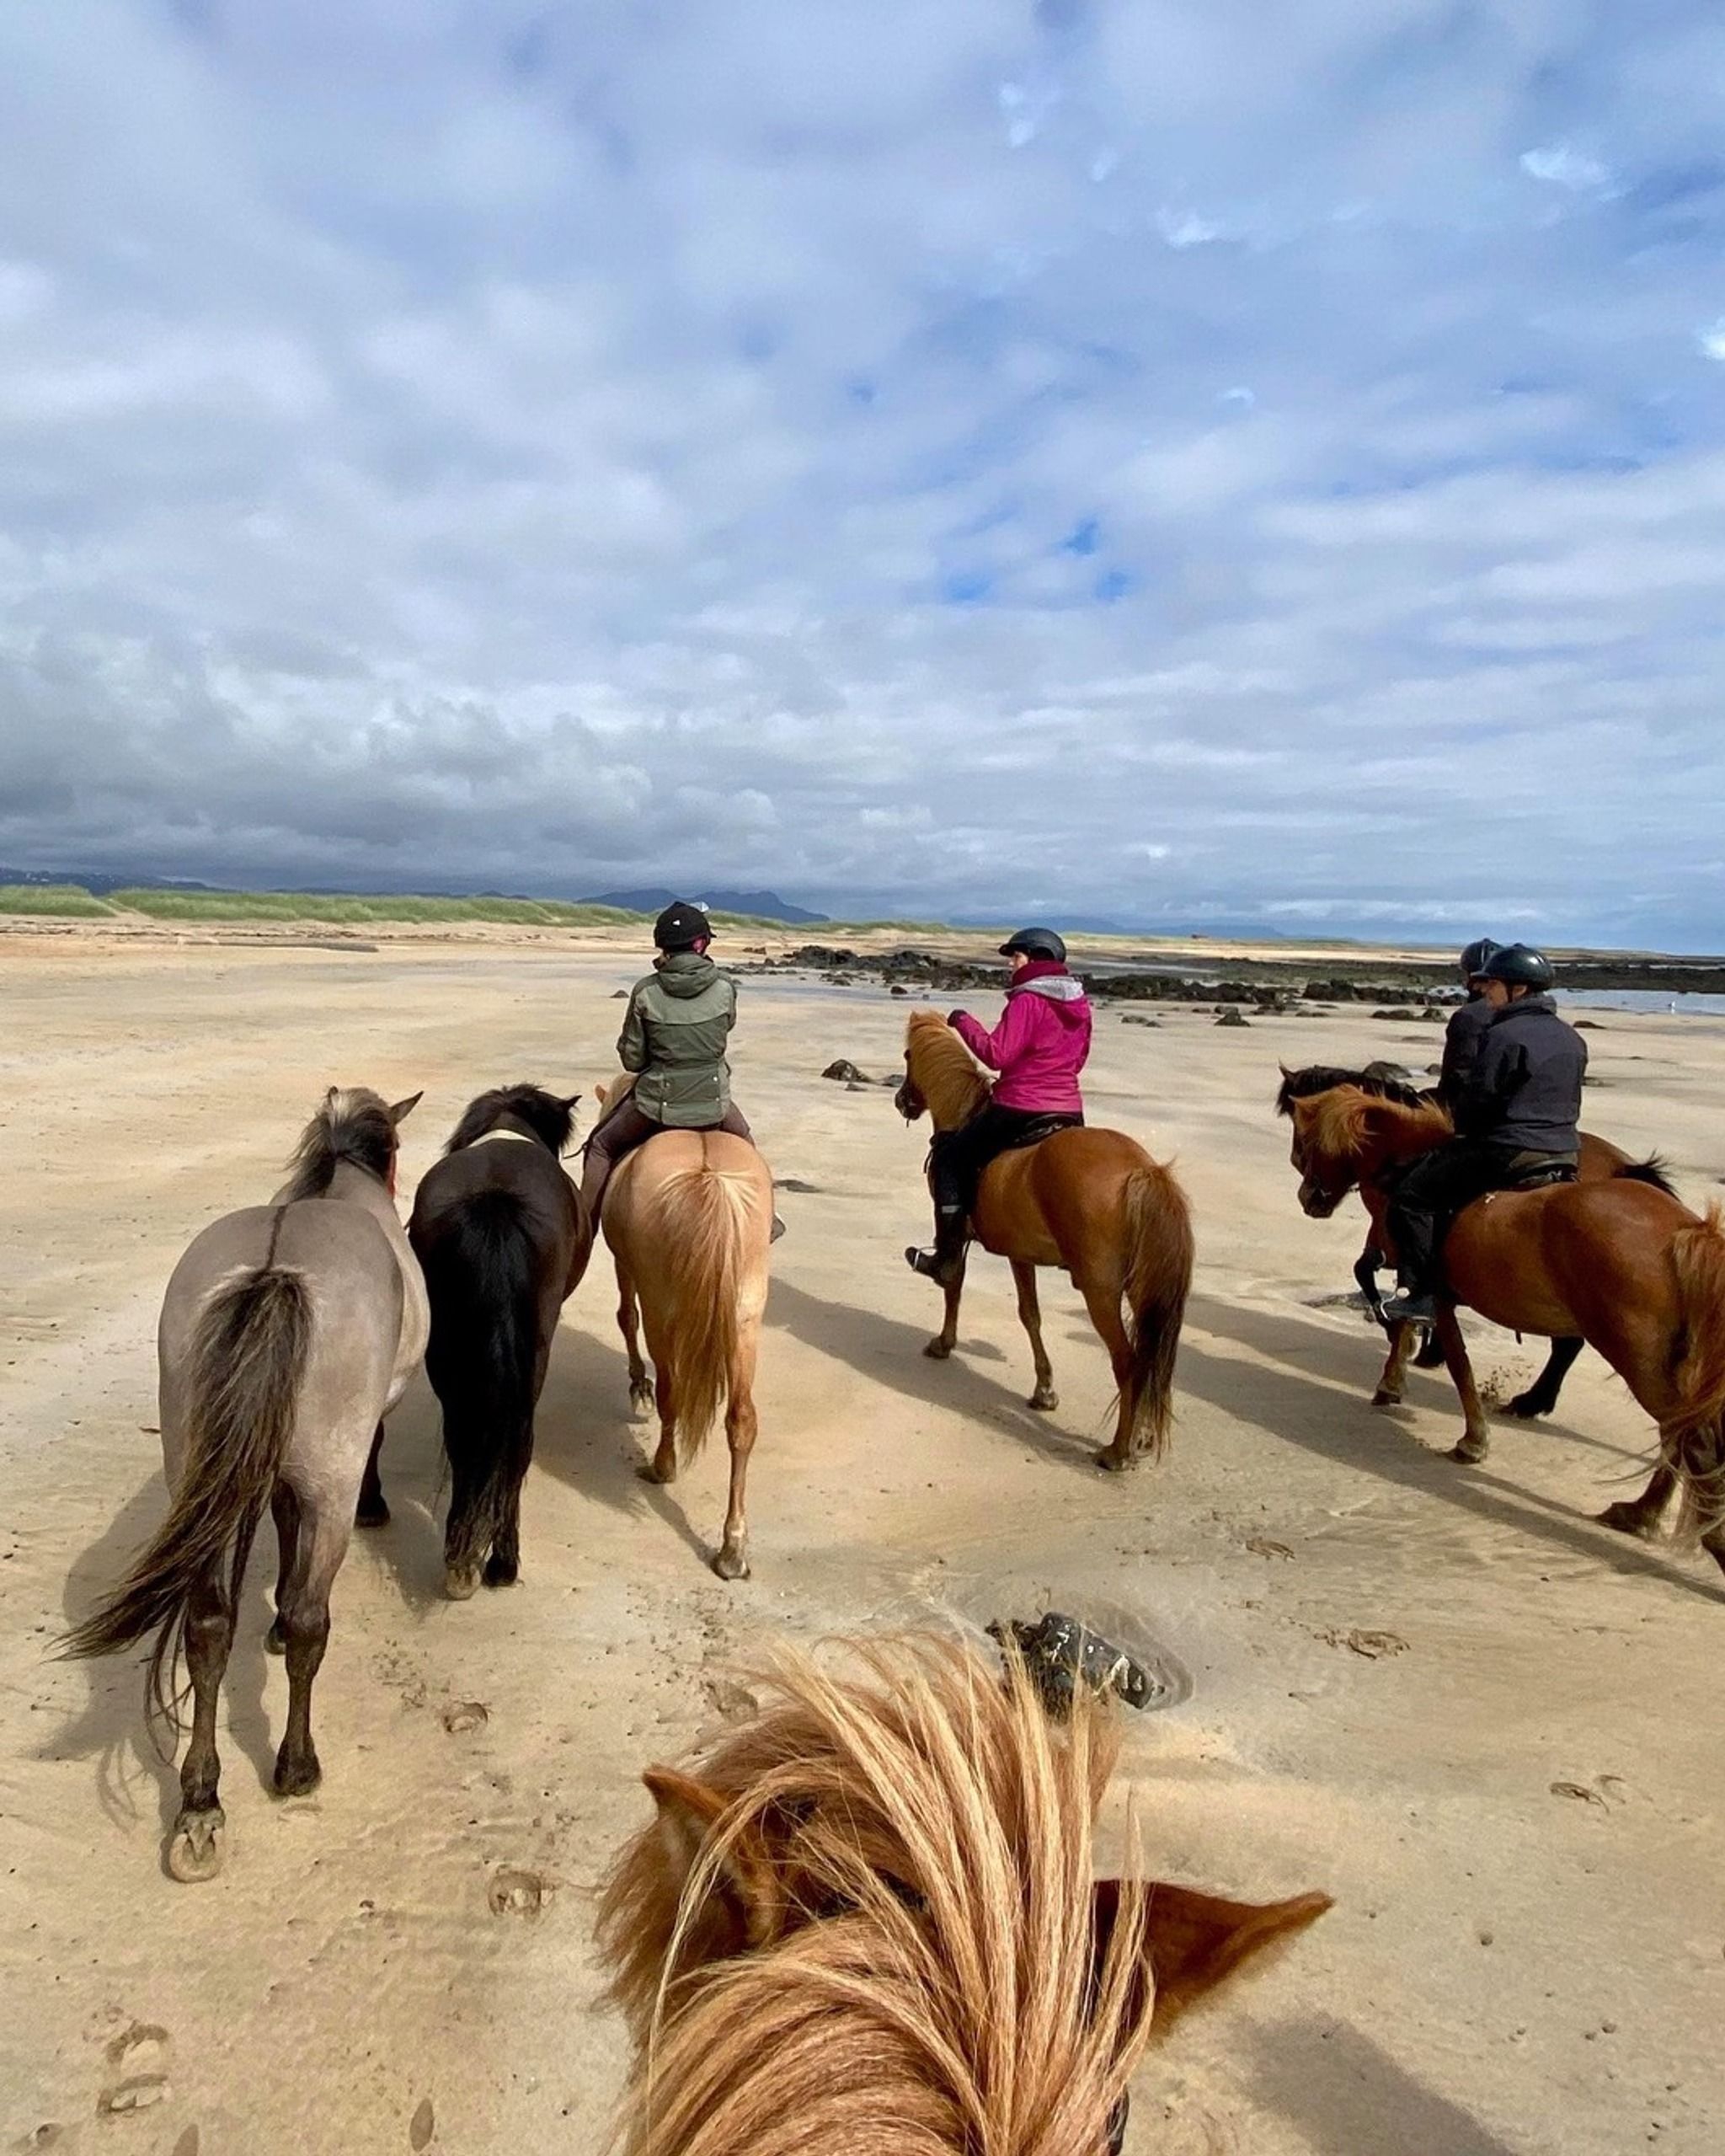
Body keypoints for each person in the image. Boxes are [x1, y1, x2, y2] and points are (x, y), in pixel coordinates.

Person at [1380, 944, 1583, 1324]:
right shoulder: (1571, 1038)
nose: (1484, 990)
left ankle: (1422, 1296)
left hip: (1507, 1149)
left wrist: (1458, 1132)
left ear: (1518, 989)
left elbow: (1479, 1100)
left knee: (1411, 1198)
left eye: (1493, 984)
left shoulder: (1503, 1035)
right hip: (1566, 1150)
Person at [905, 927, 1092, 1287]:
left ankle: (946, 1260)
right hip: (1069, 1109)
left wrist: (963, 1022)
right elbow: (1079, 1059)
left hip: (1020, 1106)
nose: (1011, 964)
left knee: (949, 1158)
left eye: (1016, 956)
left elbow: (997, 1054)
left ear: (1036, 959)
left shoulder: (1028, 999)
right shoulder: (1079, 1003)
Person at [579, 901, 781, 1233]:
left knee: (600, 1146)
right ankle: (768, 1219)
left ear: (663, 946)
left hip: (655, 1105)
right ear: (701, 944)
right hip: (713, 1101)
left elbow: (633, 1060)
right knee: (746, 1142)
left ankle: (583, 1233)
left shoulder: (646, 991)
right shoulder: (725, 987)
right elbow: (726, 1028)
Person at [1434, 937, 1501, 1110]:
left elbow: (1456, 1078)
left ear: (1473, 979)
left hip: (1477, 1111)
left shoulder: (1468, 1017)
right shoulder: (1535, 1016)